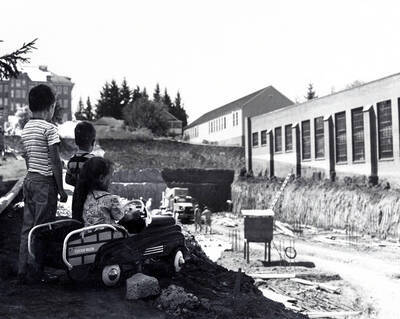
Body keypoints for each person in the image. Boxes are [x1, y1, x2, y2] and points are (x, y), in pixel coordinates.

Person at [18, 84, 68, 284]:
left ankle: (22, 268)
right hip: (45, 184)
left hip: (29, 180)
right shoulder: (50, 129)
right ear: (51, 107)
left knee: (27, 227)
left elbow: (27, 157)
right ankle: (36, 271)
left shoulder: (26, 129)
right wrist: (61, 188)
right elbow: (54, 161)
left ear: (31, 107)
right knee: (41, 228)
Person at [73, 156, 143, 230]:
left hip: (88, 234)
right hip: (107, 235)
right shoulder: (111, 199)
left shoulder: (84, 195)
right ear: (101, 178)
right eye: (111, 177)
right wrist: (131, 214)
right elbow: (119, 216)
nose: (112, 180)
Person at [67, 121, 96, 221]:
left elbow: (67, 179)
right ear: (93, 142)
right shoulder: (92, 160)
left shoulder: (72, 160)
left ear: (76, 141)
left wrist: (77, 181)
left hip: (77, 195)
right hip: (89, 196)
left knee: (77, 218)